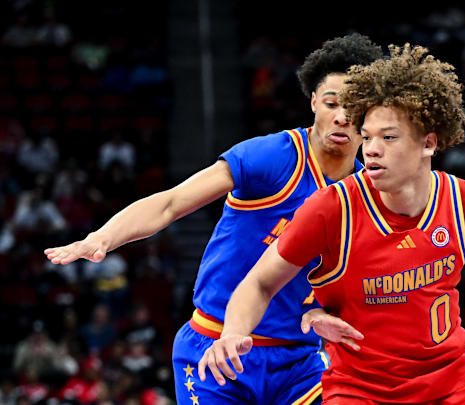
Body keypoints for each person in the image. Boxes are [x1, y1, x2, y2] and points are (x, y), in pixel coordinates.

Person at [199, 44, 465, 404]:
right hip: (360, 390)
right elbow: (260, 282)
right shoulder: (331, 209)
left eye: (388, 138)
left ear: (428, 143)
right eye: (367, 136)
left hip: (451, 384)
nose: (371, 149)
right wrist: (232, 334)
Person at [44, 33, 383, 405]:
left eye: (353, 106)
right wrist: (103, 238)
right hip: (217, 348)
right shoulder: (271, 157)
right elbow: (171, 203)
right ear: (314, 101)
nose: (341, 116)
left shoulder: (369, 190)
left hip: (300, 362)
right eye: (332, 103)